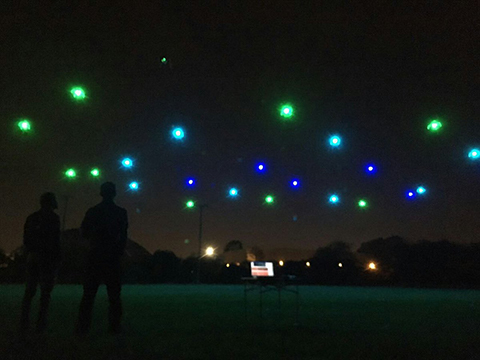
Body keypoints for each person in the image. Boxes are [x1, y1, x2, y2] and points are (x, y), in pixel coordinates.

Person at [76, 182, 128, 335]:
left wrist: (94, 240)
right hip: (112, 256)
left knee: (89, 294)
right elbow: (123, 235)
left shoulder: (93, 211)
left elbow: (84, 231)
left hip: (96, 254)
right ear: (114, 193)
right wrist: (119, 250)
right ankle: (114, 327)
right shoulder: (120, 212)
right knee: (114, 295)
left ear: (101, 193)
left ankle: (83, 327)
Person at [20, 192, 61, 335]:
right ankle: (41, 322)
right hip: (47, 258)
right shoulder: (54, 218)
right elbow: (56, 241)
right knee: (45, 292)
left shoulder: (32, 218)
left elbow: (26, 239)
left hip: (33, 256)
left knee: (30, 290)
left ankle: (24, 321)